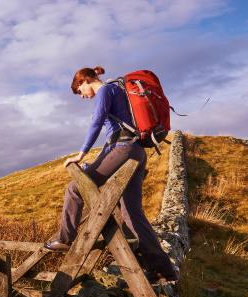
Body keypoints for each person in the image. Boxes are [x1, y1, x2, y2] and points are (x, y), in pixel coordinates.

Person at [43, 66, 179, 282]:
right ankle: (162, 269)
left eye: (80, 91)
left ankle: (64, 238)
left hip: (123, 150)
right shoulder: (119, 90)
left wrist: (81, 155)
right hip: (136, 153)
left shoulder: (105, 91)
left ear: (85, 81)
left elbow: (97, 122)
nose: (83, 96)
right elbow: (115, 133)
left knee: (75, 188)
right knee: (132, 214)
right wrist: (94, 164)